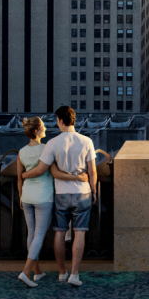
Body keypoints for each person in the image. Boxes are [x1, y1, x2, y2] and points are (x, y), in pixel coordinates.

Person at [42, 103, 99, 286]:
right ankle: (75, 274)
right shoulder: (86, 141)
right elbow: (92, 171)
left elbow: (46, 168)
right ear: (74, 120)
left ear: (60, 121)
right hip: (82, 193)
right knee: (79, 233)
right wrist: (94, 190)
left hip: (61, 194)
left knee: (59, 233)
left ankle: (62, 272)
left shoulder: (52, 143)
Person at [12, 115, 53, 288]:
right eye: (43, 126)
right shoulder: (46, 149)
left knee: (32, 234)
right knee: (39, 234)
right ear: (36, 130)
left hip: (27, 196)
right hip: (43, 196)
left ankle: (37, 272)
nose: (45, 128)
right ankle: (26, 272)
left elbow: (19, 179)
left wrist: (21, 196)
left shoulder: (21, 152)